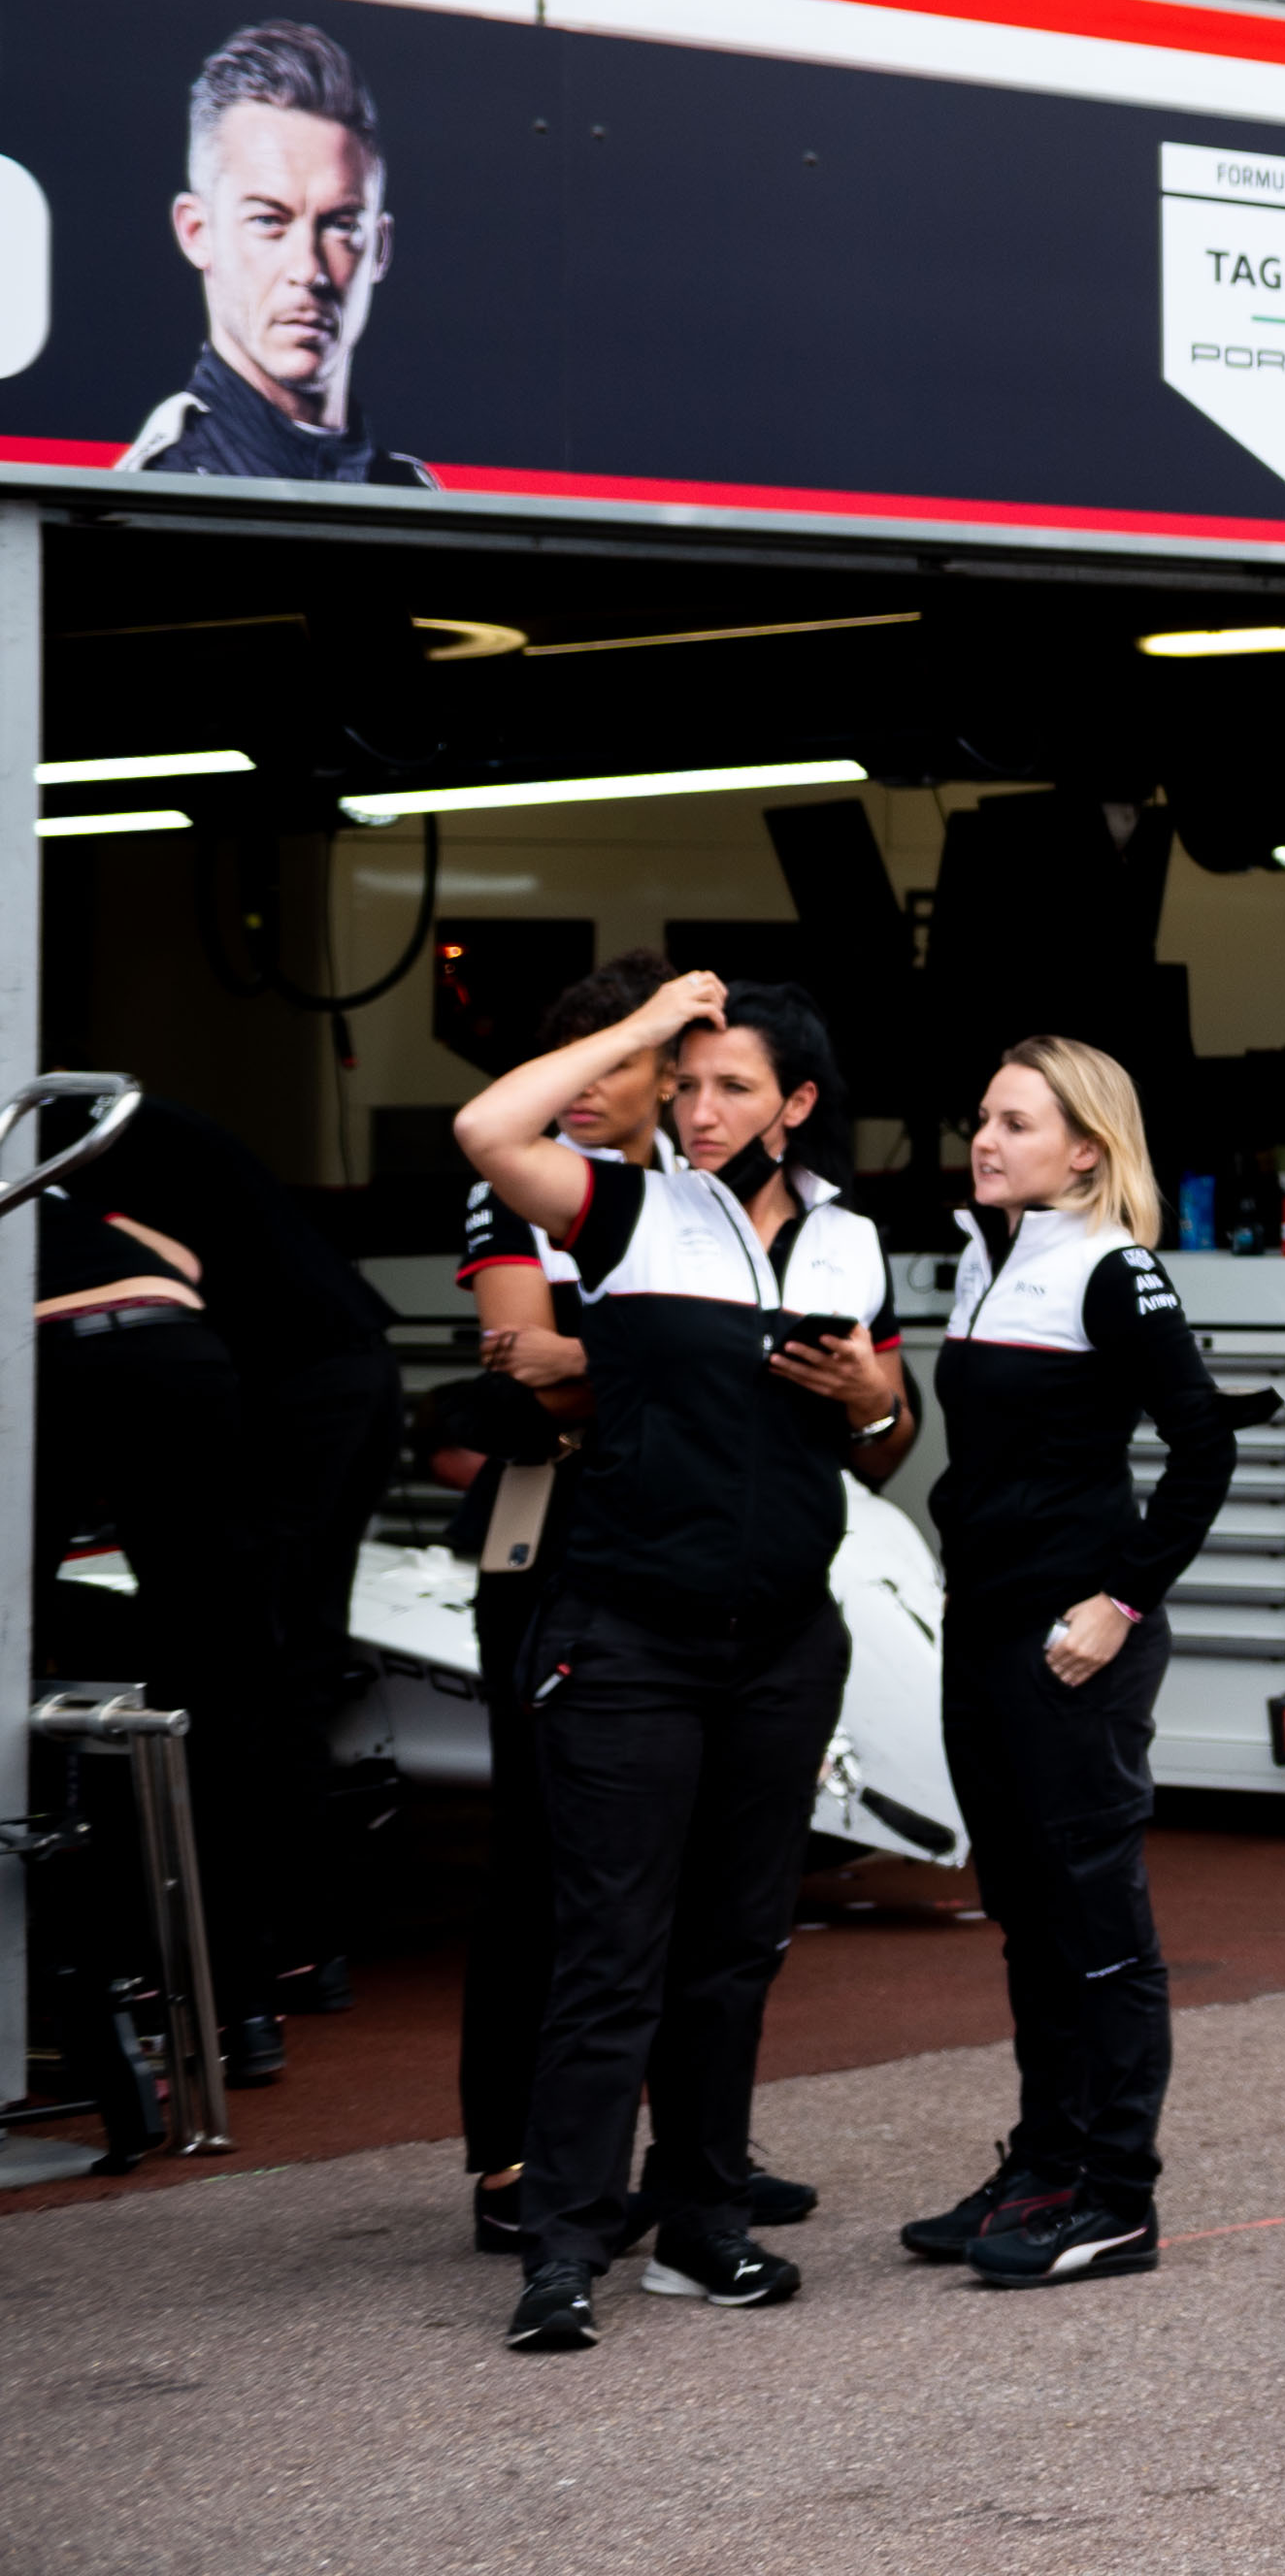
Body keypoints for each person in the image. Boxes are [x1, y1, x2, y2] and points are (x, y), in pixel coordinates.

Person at [450, 973, 908, 2353]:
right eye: (687, 1084)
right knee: (613, 1946)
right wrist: (645, 1025)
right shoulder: (637, 1211)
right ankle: (565, 2245)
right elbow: (487, 1128)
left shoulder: (848, 1240)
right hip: (628, 1636)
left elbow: (875, 1442)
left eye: (732, 1087)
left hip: (782, 1642)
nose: (700, 1111)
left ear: (800, 1105)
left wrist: (882, 1400)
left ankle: (705, 2226)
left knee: (735, 1949)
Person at [901, 1035, 1237, 2290]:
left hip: (1070, 1643)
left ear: (1085, 1148)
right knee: (1026, 1911)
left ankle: (1116, 2195)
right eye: (983, 1117)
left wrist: (1120, 1602)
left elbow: (1203, 1450)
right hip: (981, 1629)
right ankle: (1045, 2161)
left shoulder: (1111, 1269)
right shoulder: (991, 1262)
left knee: (1096, 1915)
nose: (987, 1139)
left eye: (1018, 1123)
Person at [51, 1089, 397, 2038]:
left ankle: (254, 1955)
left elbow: (165, 1271)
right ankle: (293, 1945)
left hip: (280, 1375)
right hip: (334, 1357)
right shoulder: (114, 1113)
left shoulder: (65, 1132)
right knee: (282, 1661)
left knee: (238, 1664)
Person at [439, 959, 674, 2254]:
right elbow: (530, 1381)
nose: (583, 1092)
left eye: (612, 1065)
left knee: (674, 1861)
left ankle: (691, 2146)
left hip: (678, 1538)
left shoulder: (702, 1194)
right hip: (542, 1542)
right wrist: (653, 1362)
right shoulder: (509, 1191)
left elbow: (594, 1365)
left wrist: (597, 1356)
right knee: (542, 1854)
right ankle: (510, 2162)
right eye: (568, 1063)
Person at [123, 16, 432, 483]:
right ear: (197, 232)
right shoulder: (160, 492)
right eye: (269, 221)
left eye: (340, 225)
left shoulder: (414, 499)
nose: (308, 270)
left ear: (381, 249)